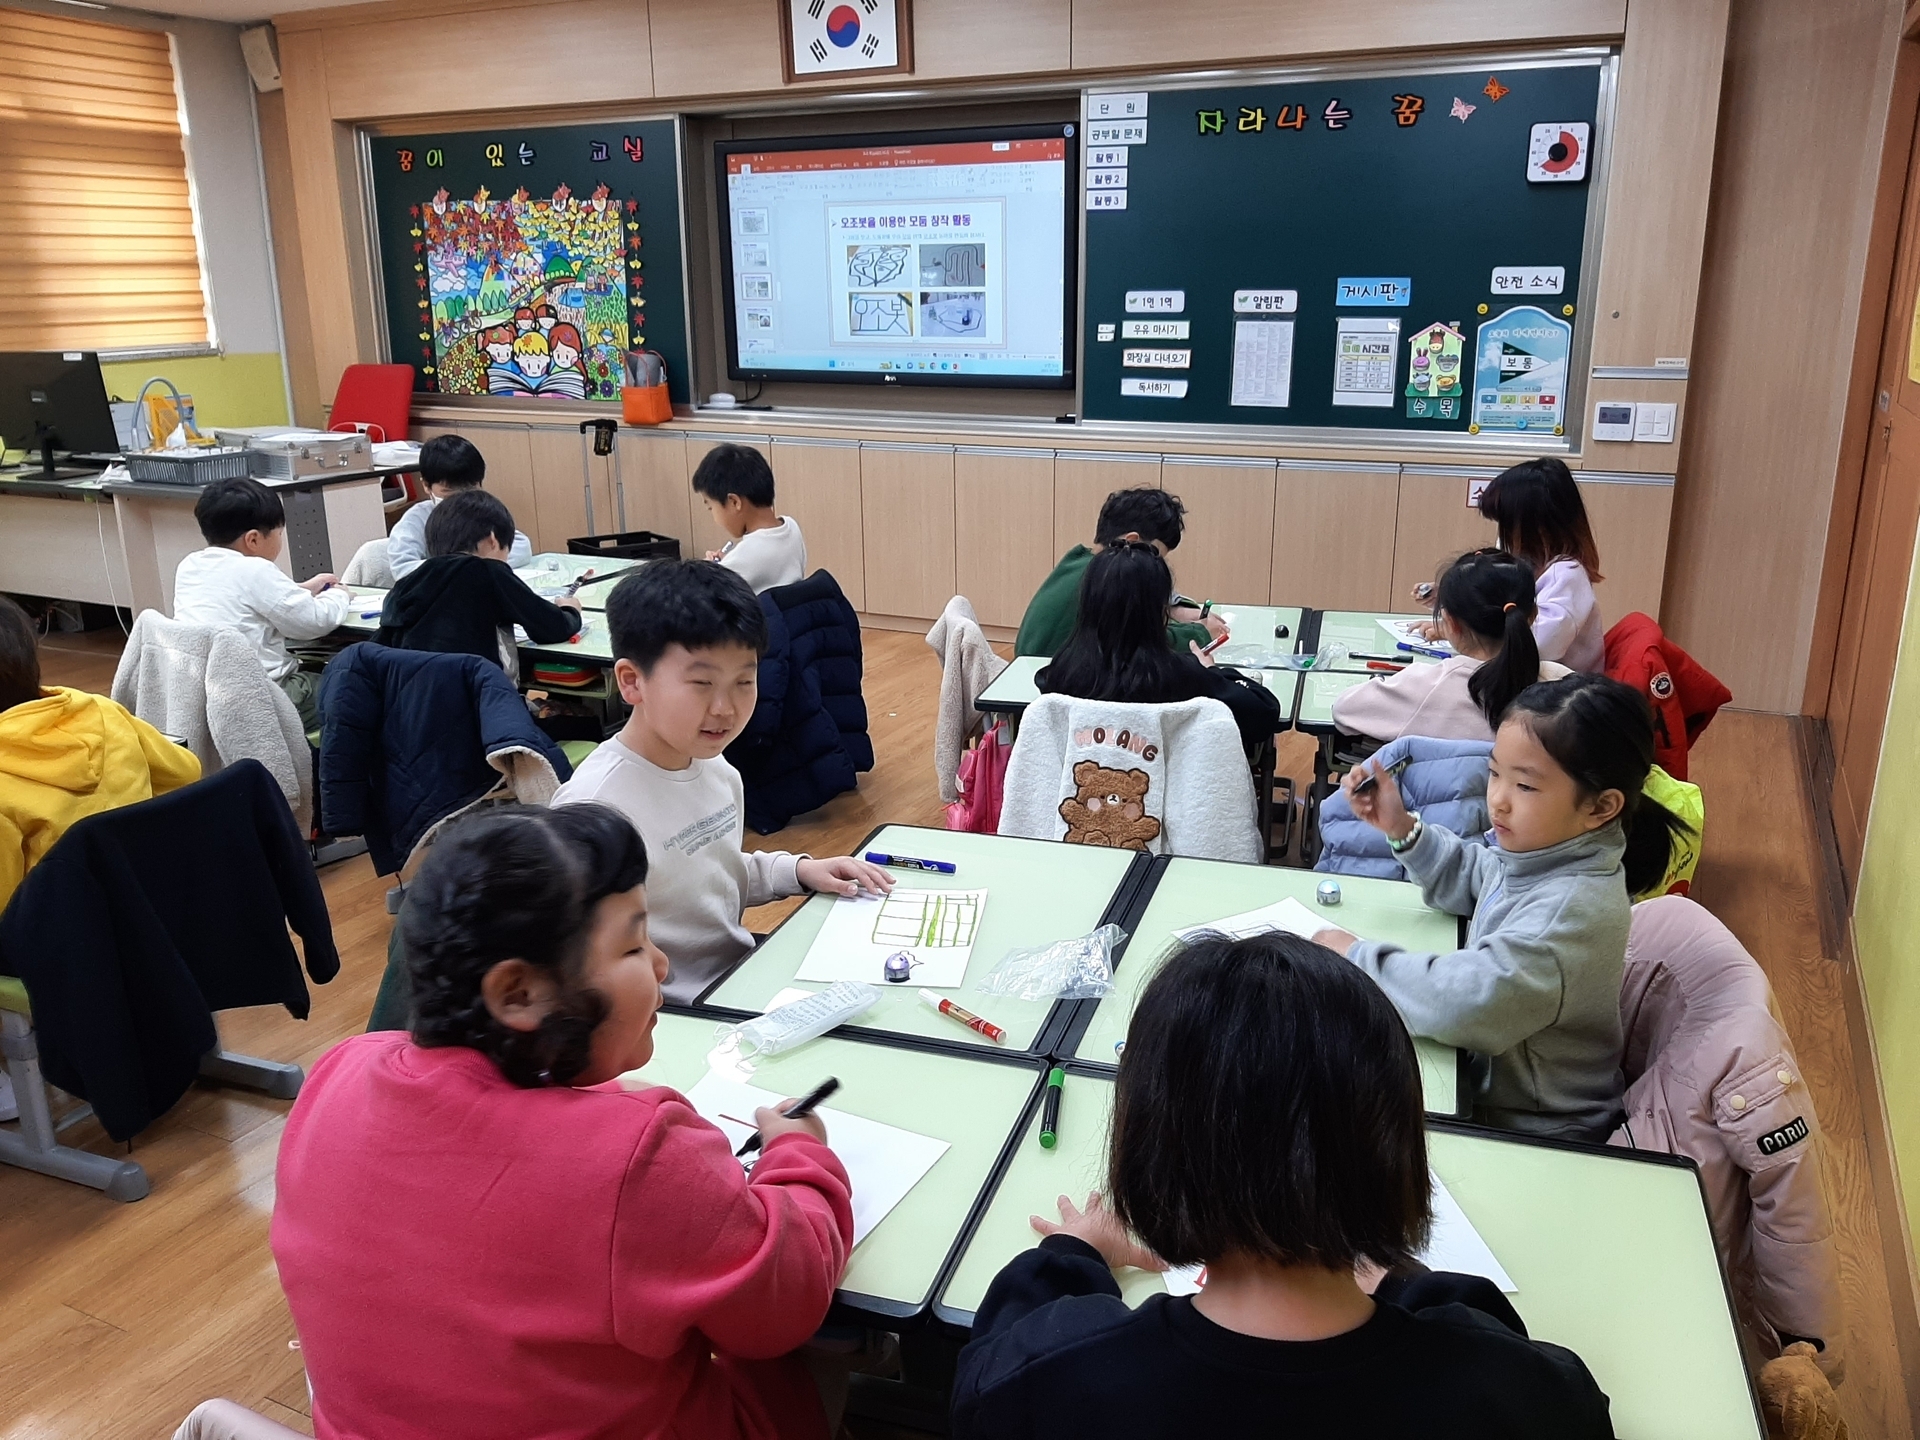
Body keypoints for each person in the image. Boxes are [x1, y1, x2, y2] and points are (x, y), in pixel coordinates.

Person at [270, 804, 855, 1440]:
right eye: (633, 945)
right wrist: (799, 1156)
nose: (660, 965)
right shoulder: (636, 1155)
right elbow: (786, 1302)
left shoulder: (339, 1072)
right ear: (518, 994)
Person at [951, 931, 1614, 1439]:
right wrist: (1396, 1278)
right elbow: (1499, 1345)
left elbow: (1002, 1359)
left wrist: (1074, 1251)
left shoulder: (1046, 1384)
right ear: (1393, 1146)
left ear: (1150, 1148)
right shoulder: (1531, 1398)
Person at [1319, 673, 1692, 1140]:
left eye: (1526, 787)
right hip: (1489, 1095)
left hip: (1538, 1134)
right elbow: (1481, 877)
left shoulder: (1570, 910)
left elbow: (1466, 1003)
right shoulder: (1548, 853)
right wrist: (1403, 829)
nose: (1498, 800)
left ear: (1601, 808)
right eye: (1495, 773)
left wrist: (1356, 959)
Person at [552, 559, 892, 1001]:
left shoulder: (716, 768)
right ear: (632, 681)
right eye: (701, 683)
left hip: (738, 977)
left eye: (744, 682)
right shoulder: (594, 810)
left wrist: (799, 870)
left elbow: (711, 876)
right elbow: (576, 969)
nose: (725, 709)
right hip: (672, 1013)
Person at [1037, 541, 1281, 756]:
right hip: (1169, 793)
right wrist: (1214, 671)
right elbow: (1265, 711)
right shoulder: (1182, 675)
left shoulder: (1059, 674)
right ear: (1159, 611)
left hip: (1081, 792)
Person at [1337, 548, 1572, 744]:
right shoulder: (1562, 685)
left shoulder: (1425, 685)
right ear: (1532, 615)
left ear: (1450, 623)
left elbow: (1344, 710)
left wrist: (1381, 682)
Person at [172, 476, 351, 731]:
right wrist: (339, 595)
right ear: (253, 540)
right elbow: (314, 622)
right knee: (354, 685)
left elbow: (241, 598)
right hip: (265, 699)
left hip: (206, 695)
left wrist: (301, 588)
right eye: (279, 534)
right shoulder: (255, 569)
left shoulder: (190, 565)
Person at [376, 489, 582, 667]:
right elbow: (552, 627)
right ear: (493, 540)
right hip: (474, 690)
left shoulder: (408, 582)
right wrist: (570, 610)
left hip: (410, 693)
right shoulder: (488, 572)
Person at [1015, 488, 1218, 659]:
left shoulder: (1082, 562)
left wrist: (1173, 610)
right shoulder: (1107, 579)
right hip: (1053, 684)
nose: (1155, 568)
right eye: (1155, 557)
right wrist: (1201, 633)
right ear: (1131, 541)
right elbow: (1144, 646)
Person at [1473, 458, 1606, 672]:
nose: (1501, 534)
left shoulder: (1568, 576)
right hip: (1532, 678)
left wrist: (1469, 639)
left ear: (1533, 528)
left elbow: (1534, 647)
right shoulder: (1526, 561)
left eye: (1506, 525)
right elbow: (1490, 599)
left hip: (1556, 688)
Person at [387, 433, 532, 580]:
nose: (460, 500)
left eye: (470, 490)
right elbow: (402, 567)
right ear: (426, 485)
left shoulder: (482, 511)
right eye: (448, 492)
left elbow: (521, 546)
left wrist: (472, 567)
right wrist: (468, 566)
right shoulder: (417, 519)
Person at [695, 443, 808, 593]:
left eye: (711, 507)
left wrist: (706, 570)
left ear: (734, 502)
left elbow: (698, 592)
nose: (715, 518)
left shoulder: (744, 557)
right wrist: (726, 563)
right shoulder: (792, 528)